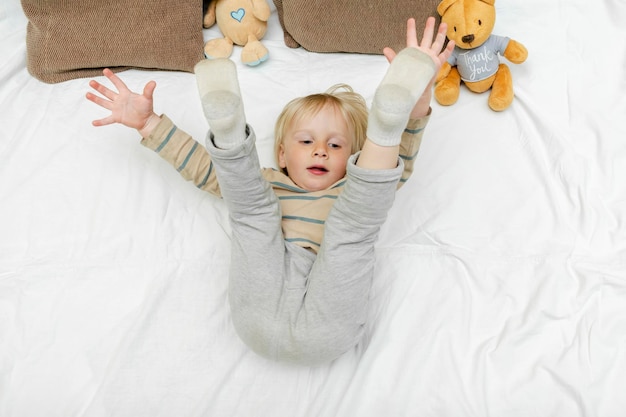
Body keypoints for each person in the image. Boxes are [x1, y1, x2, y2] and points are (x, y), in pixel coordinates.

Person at [86, 17, 454, 365]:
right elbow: (201, 167)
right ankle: (229, 130)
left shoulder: (352, 188)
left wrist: (417, 101)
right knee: (252, 211)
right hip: (259, 311)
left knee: (356, 221)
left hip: (327, 326)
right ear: (281, 154)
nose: (320, 150)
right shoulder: (267, 183)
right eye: (306, 140)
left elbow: (397, 163)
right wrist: (148, 122)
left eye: (336, 146)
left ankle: (386, 124)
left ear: (355, 158)